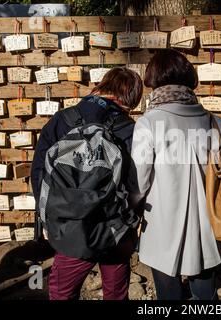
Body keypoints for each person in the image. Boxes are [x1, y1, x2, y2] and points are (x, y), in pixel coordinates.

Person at [31, 67, 143, 300]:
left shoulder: (63, 120)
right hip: (115, 229)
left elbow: (39, 173)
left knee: (62, 292)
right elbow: (138, 184)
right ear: (131, 98)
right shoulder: (131, 130)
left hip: (72, 228)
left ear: (102, 86)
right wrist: (131, 220)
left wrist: (52, 218)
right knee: (116, 294)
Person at [130, 49, 221, 300]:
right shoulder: (213, 121)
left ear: (153, 79)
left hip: (160, 220)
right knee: (205, 293)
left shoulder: (148, 123)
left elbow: (139, 180)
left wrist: (132, 207)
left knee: (168, 294)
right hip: (208, 219)